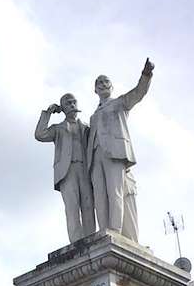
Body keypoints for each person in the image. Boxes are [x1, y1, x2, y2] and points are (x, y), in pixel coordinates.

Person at [87, 59, 153, 241]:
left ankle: (114, 229)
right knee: (100, 194)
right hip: (95, 155)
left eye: (105, 81)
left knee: (115, 190)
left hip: (114, 152)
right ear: (94, 90)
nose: (102, 84)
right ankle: (103, 229)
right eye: (98, 83)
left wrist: (146, 75)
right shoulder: (93, 115)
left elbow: (138, 93)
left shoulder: (119, 103)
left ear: (111, 86)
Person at [34, 93, 95, 244]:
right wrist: (47, 113)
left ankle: (91, 240)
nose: (72, 105)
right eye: (68, 103)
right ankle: (76, 243)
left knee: (88, 205)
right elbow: (40, 134)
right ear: (63, 107)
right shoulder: (58, 128)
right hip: (66, 171)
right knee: (72, 207)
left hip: (85, 169)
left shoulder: (86, 127)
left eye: (74, 102)